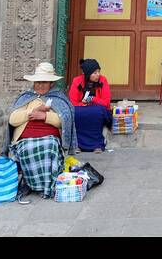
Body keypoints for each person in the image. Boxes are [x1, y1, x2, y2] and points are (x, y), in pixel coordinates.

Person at [6, 62, 77, 200]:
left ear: (51, 83)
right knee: (27, 148)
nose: (40, 85)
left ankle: (47, 185)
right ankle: (29, 183)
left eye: (44, 82)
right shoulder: (26, 97)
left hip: (50, 137)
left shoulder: (58, 98)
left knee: (49, 146)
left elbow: (65, 120)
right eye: (38, 82)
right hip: (24, 138)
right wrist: (32, 113)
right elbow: (13, 119)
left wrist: (45, 116)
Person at [67, 58, 113, 153]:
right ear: (87, 73)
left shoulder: (103, 80)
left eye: (98, 72)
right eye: (94, 73)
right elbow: (73, 102)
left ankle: (97, 145)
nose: (98, 75)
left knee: (96, 112)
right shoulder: (77, 81)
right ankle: (78, 145)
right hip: (81, 108)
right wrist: (83, 104)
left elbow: (106, 102)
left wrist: (93, 99)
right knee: (77, 113)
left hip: (98, 109)